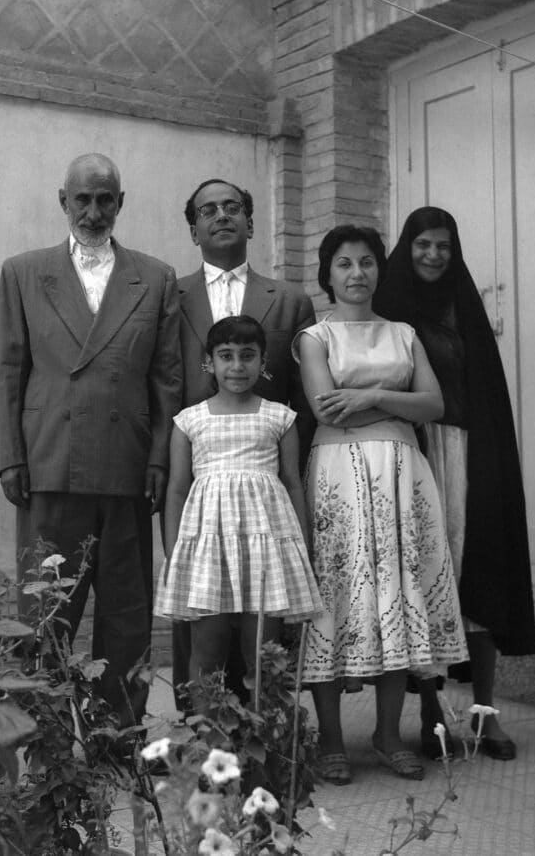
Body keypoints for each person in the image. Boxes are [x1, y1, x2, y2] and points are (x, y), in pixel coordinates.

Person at [0, 152, 182, 728]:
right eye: (83, 199)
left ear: (120, 203)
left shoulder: (154, 276)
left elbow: (166, 378)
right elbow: (10, 369)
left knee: (127, 614)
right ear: (63, 201)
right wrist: (10, 457)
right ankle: (43, 736)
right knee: (44, 610)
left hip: (126, 466)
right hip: (51, 462)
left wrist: (158, 460)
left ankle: (116, 734)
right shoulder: (25, 271)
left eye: (106, 200)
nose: (94, 212)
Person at [294, 224, 468, 785]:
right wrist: (398, 408)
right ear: (328, 273)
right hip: (338, 477)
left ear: (379, 270)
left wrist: (369, 397)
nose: (356, 274)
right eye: (344, 264)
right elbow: (326, 411)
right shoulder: (314, 337)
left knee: (399, 589)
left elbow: (435, 403)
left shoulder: (404, 333)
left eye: (366, 262)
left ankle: (388, 734)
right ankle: (331, 739)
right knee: (337, 594)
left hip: (401, 476)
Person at [374, 206, 535, 761]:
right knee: (422, 578)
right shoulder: (388, 309)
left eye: (444, 245)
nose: (433, 255)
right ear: (407, 247)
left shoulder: (466, 307)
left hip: (469, 453)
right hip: (413, 454)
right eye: (423, 244)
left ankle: (484, 715)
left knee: (480, 574)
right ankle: (429, 716)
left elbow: (486, 393)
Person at [171, 178, 317, 707]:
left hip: (263, 494)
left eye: (232, 207)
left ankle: (266, 736)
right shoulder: (171, 294)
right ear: (194, 228)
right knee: (204, 632)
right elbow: (163, 378)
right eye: (207, 210)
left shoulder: (290, 299)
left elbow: (301, 397)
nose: (221, 216)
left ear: (251, 222)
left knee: (264, 634)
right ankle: (202, 734)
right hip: (200, 473)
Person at [155, 315, 322, 712]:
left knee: (263, 651)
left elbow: (293, 482)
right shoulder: (189, 421)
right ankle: (207, 742)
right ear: (209, 362)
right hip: (208, 549)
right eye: (226, 356)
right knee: (207, 651)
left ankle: (271, 745)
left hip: (265, 549)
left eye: (247, 356)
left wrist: (302, 546)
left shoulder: (279, 417)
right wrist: (174, 552)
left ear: (262, 361)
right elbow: (177, 489)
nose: (236, 366)